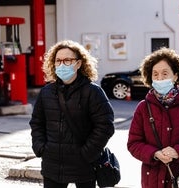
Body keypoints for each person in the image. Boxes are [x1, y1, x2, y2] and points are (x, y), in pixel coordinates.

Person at [29, 40, 115, 188]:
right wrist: (40, 147)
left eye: (67, 60)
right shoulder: (46, 92)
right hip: (52, 164)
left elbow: (105, 126)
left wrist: (87, 153)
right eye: (58, 61)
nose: (62, 65)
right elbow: (37, 122)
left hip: (83, 165)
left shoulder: (93, 92)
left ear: (78, 64)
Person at [127, 47, 179, 188]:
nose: (159, 78)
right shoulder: (143, 107)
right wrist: (154, 154)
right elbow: (133, 144)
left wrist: (178, 152)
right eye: (155, 74)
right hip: (152, 181)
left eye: (165, 74)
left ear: (176, 75)